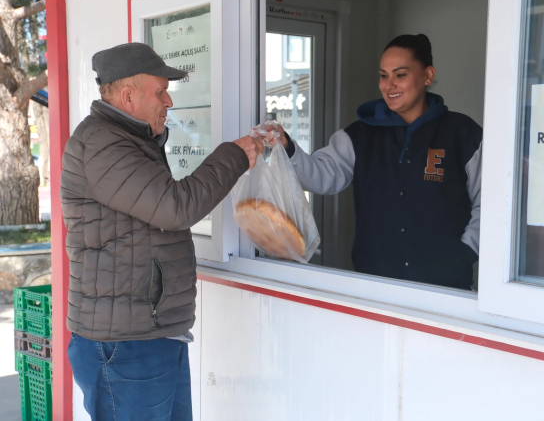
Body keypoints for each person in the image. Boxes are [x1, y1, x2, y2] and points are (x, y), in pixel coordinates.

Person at [61, 43, 262, 420]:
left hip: (147, 334)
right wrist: (234, 156)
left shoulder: (130, 140)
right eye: (160, 91)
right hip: (125, 346)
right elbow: (175, 207)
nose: (168, 101)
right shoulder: (104, 144)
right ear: (128, 95)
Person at [268, 34, 482, 290]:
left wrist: (465, 252)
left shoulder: (462, 134)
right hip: (376, 287)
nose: (388, 85)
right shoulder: (359, 135)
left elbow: (491, 204)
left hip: (446, 289)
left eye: (400, 75)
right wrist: (288, 148)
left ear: (427, 76)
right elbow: (321, 176)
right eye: (383, 75)